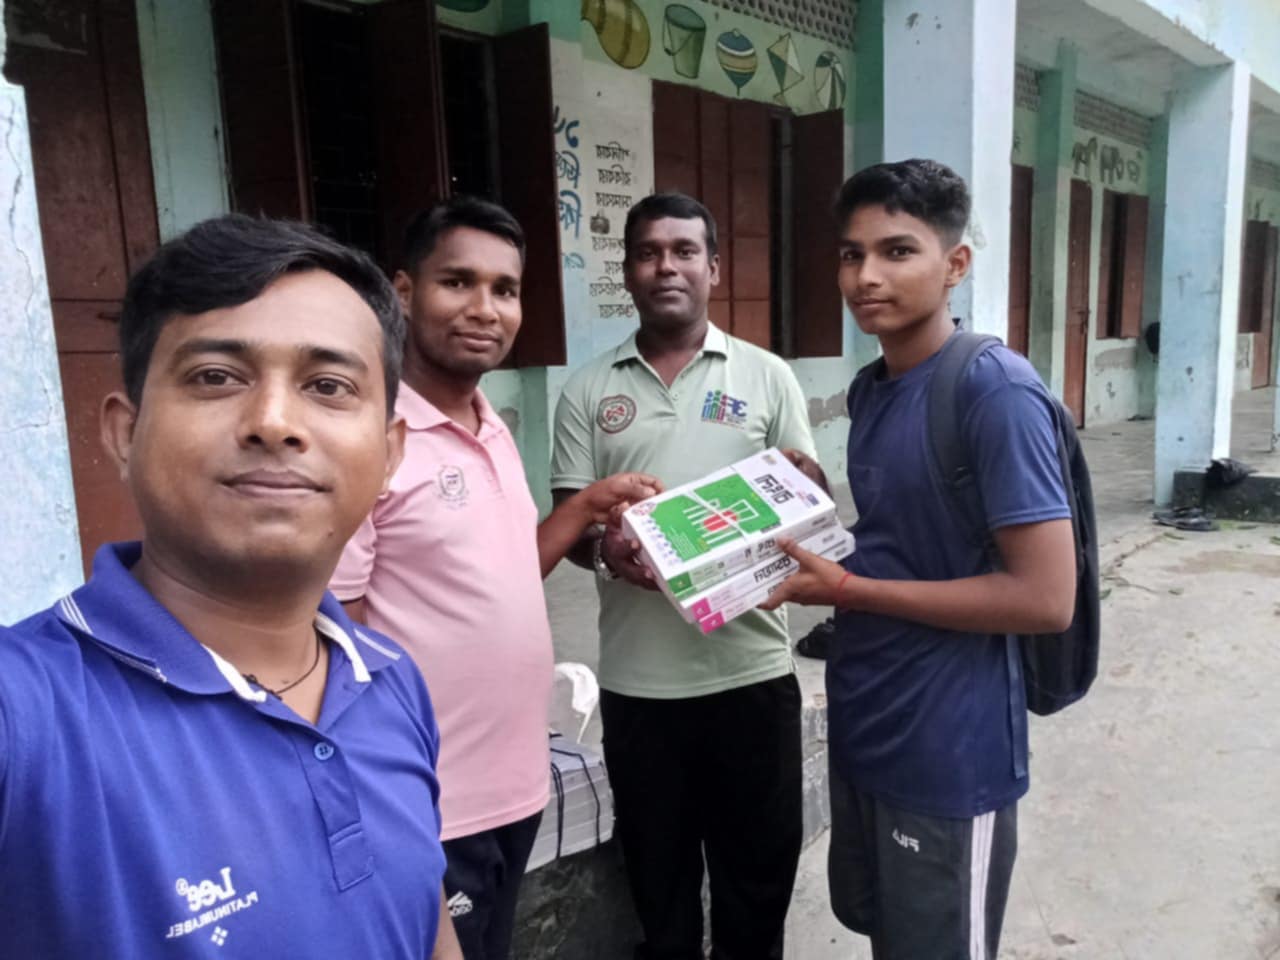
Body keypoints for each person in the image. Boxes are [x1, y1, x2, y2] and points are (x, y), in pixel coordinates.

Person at [0, 214, 464, 958]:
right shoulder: (28, 711)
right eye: (216, 377)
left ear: (388, 455)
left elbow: (424, 920)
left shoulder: (389, 678)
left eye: (328, 385)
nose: (274, 423)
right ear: (124, 434)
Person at [760, 159, 1077, 959]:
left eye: (897, 251)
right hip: (870, 722)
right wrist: (811, 505)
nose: (865, 276)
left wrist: (851, 589)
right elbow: (908, 538)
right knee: (887, 934)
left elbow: (1045, 599)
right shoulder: (874, 388)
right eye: (851, 254)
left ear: (955, 264)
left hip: (949, 747)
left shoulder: (994, 392)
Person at [331, 197, 658, 960]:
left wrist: (584, 509)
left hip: (516, 781)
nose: (485, 309)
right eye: (458, 283)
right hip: (431, 802)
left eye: (504, 290)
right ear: (403, 292)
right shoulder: (370, 440)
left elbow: (508, 575)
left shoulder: (492, 425)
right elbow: (336, 638)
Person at [550, 193, 820, 960]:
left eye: (684, 250)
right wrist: (608, 551)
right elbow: (572, 526)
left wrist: (807, 486)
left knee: (755, 889)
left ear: (714, 268)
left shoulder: (768, 377)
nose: (666, 266)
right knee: (659, 892)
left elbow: (806, 500)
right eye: (648, 252)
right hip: (640, 688)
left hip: (752, 674)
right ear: (628, 271)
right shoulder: (587, 389)